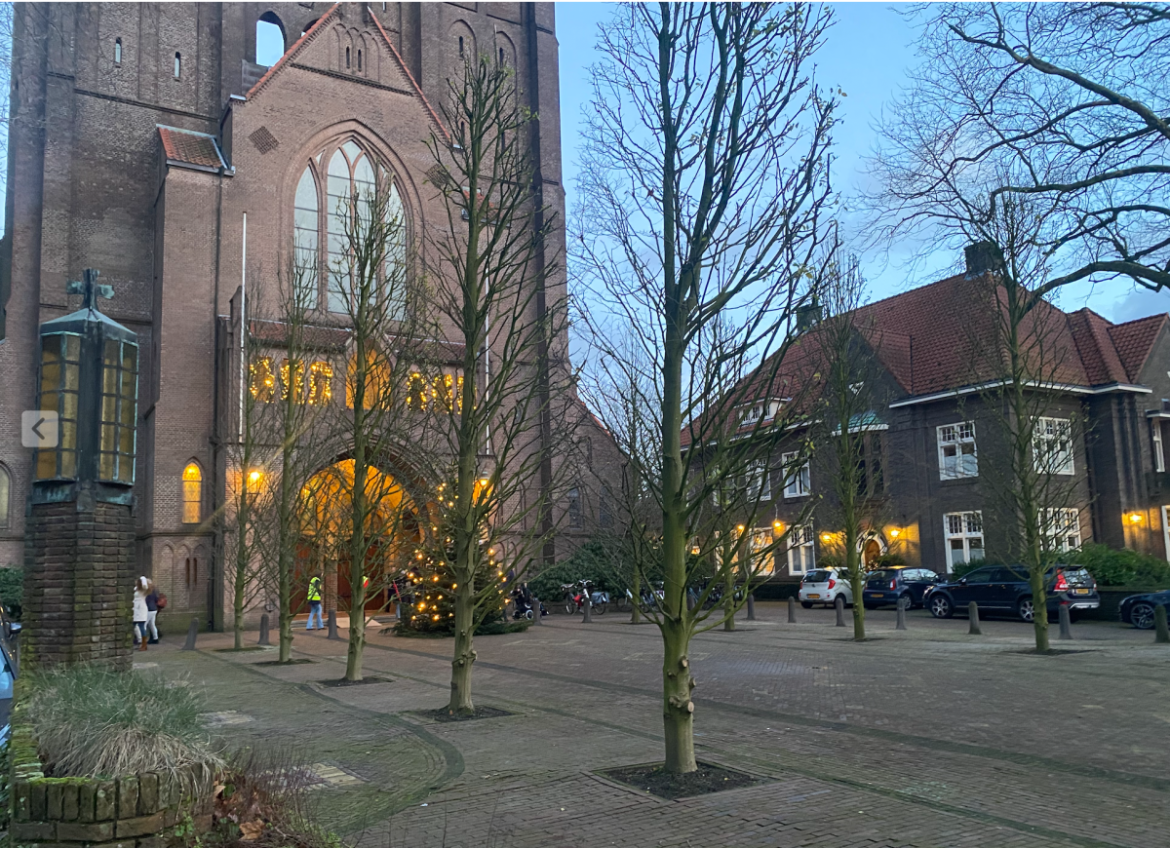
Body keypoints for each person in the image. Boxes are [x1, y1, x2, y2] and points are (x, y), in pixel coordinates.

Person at [132, 576, 150, 651]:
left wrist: (143, 579)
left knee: (141, 626)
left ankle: (144, 644)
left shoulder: (143, 589)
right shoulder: (136, 589)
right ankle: (138, 642)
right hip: (135, 609)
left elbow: (145, 586)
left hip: (141, 609)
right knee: (133, 625)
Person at [144, 580, 160, 644]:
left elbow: (146, 601)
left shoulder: (147, 591)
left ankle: (143, 640)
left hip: (149, 610)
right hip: (154, 609)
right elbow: (156, 599)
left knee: (144, 625)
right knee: (152, 625)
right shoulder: (154, 590)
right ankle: (155, 638)